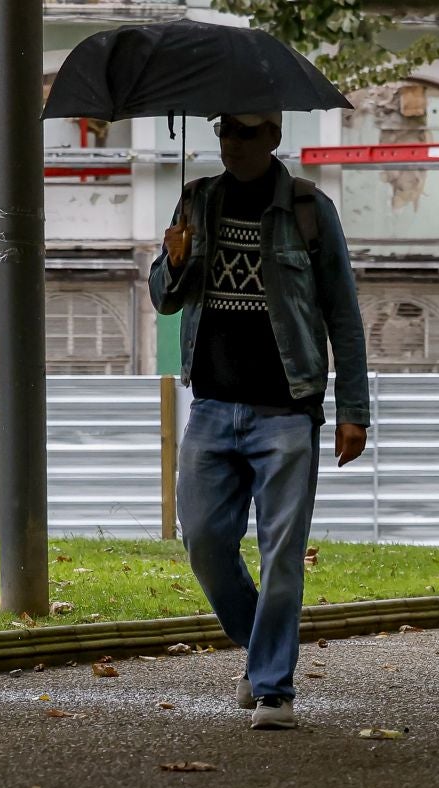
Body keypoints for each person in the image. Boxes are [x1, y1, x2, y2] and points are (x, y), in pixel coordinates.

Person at [150, 112, 370, 730]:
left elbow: (343, 314)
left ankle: (273, 687)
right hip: (212, 407)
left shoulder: (308, 208)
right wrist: (174, 260)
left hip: (286, 411)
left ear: (273, 136)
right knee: (203, 541)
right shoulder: (196, 201)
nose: (234, 143)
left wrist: (354, 411)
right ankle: (261, 651)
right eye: (226, 132)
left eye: (248, 132)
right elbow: (164, 299)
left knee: (282, 555)